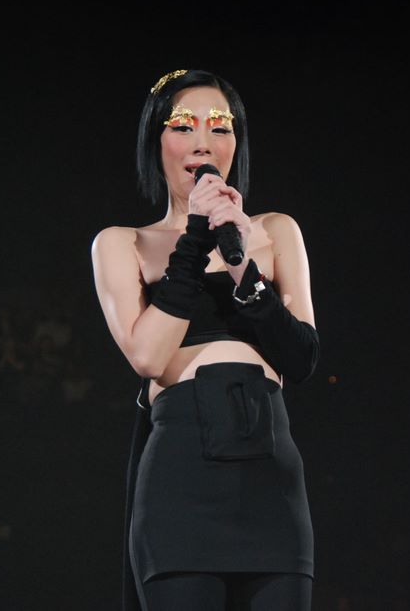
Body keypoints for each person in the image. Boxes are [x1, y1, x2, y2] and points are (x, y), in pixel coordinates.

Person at [91, 69, 319, 611]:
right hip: (182, 470)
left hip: (270, 471)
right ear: (156, 142)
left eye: (219, 126)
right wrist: (195, 237)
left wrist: (240, 261)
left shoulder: (274, 231)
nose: (203, 142)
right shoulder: (124, 243)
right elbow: (148, 356)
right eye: (183, 126)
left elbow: (301, 358)